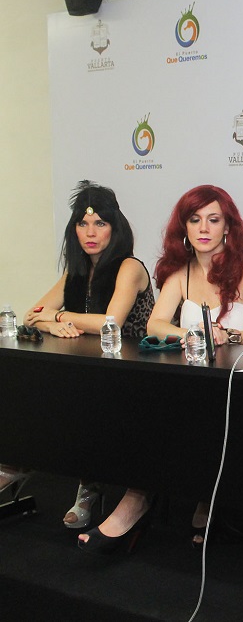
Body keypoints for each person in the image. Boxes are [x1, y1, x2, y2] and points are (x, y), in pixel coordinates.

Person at [77, 184, 243, 554]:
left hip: (240, 386)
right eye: (195, 220)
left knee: (178, 411)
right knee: (143, 404)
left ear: (227, 227)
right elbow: (155, 325)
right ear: (184, 227)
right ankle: (136, 501)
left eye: (213, 220)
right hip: (194, 382)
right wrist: (195, 334)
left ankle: (173, 501)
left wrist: (227, 335)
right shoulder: (181, 272)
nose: (203, 228)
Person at [0, 181, 154, 530]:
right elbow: (31, 315)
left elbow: (110, 323)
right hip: (88, 370)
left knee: (76, 395)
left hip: (133, 373)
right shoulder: (76, 270)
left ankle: (89, 485)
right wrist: (53, 324)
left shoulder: (129, 267)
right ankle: (20, 462)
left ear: (115, 227)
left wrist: (58, 317)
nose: (90, 232)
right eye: (82, 224)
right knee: (28, 381)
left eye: (100, 223)